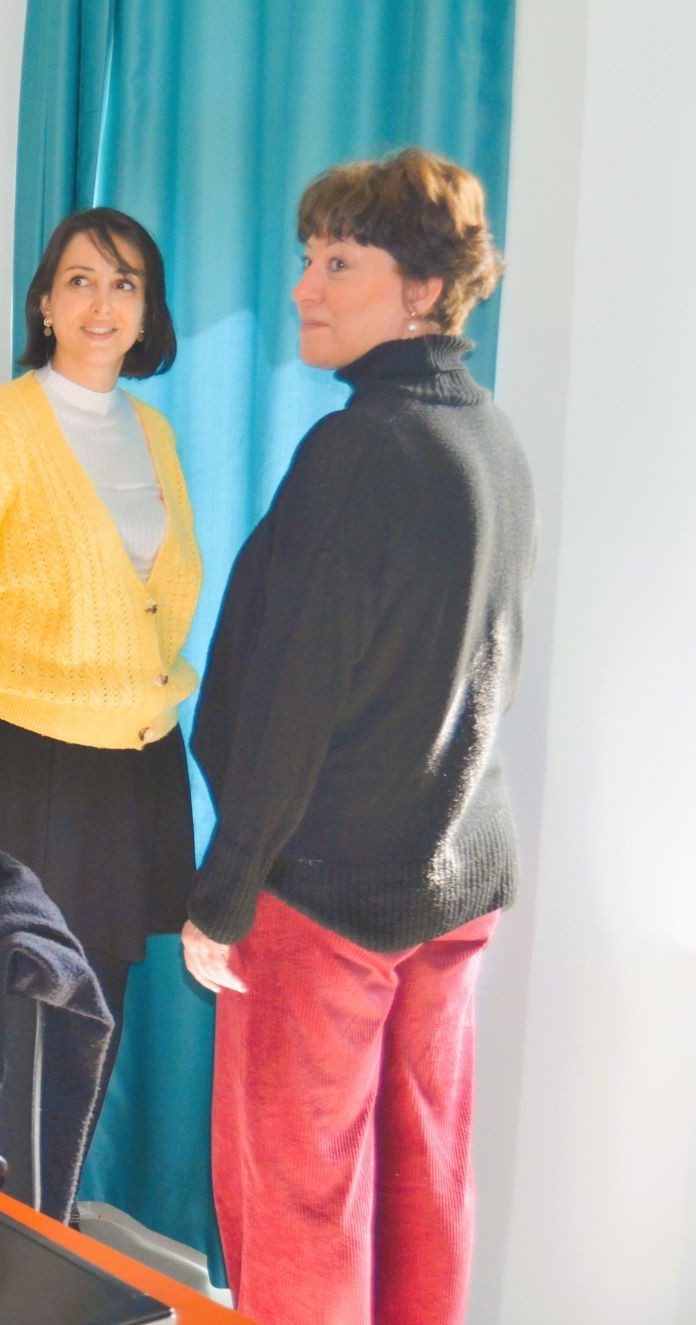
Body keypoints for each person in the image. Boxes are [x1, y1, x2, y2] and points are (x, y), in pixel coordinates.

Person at [179, 149, 531, 1325]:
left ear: (421, 289)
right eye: (306, 258)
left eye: (339, 262)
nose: (303, 287)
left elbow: (295, 695)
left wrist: (223, 891)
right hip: (451, 877)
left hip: (325, 892)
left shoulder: (361, 446)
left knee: (296, 1200)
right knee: (421, 1180)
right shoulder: (489, 436)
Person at [0, 208, 200, 1147]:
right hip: (12, 768)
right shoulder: (0, 430)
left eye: (125, 282)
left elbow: (158, 607)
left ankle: (49, 1211)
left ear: (148, 311)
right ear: (46, 305)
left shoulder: (154, 434)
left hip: (130, 773)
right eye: (80, 280)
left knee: (92, 1015)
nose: (102, 303)